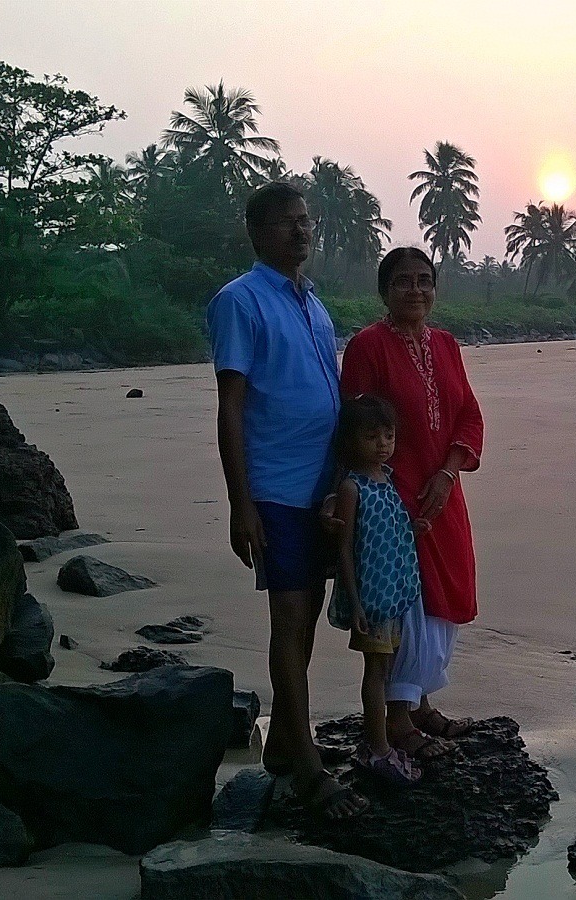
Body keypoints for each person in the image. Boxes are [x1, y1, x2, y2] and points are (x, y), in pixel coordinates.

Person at [207, 181, 366, 820]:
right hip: (273, 488)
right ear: (257, 231)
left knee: (306, 620)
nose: (301, 231)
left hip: (320, 489)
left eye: (306, 221)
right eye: (286, 222)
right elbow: (231, 407)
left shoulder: (315, 306)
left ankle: (283, 742)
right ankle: (303, 764)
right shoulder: (239, 302)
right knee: (291, 617)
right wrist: (239, 503)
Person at [341, 247, 485, 763]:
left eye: (425, 281)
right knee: (405, 603)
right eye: (404, 282)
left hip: (443, 494)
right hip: (391, 503)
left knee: (441, 598)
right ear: (385, 290)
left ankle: (420, 702)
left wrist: (449, 471)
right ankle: (397, 720)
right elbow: (354, 428)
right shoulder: (367, 347)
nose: (416, 291)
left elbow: (467, 413)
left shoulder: (446, 344)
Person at [330, 394, 425, 786]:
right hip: (370, 599)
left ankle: (380, 740)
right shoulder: (353, 488)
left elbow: (391, 534)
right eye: (372, 437)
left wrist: (413, 530)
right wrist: (354, 603)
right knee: (375, 672)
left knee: (385, 669)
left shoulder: (388, 482)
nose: (383, 444)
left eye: (388, 436)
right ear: (352, 442)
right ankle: (377, 746)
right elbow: (346, 550)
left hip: (395, 595)